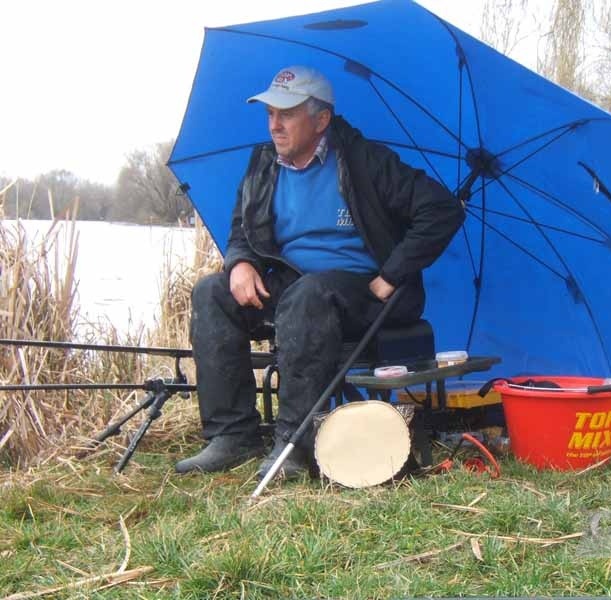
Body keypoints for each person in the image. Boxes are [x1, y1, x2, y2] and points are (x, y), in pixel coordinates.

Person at [175, 65, 464, 478]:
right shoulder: (262, 164)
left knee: (310, 295)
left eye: (287, 114)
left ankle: (295, 444)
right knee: (211, 293)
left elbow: (441, 210)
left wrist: (392, 275)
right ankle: (231, 436)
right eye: (271, 113)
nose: (275, 124)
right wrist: (239, 262)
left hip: (359, 290)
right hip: (289, 281)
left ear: (321, 119)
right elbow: (242, 227)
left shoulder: (368, 161)